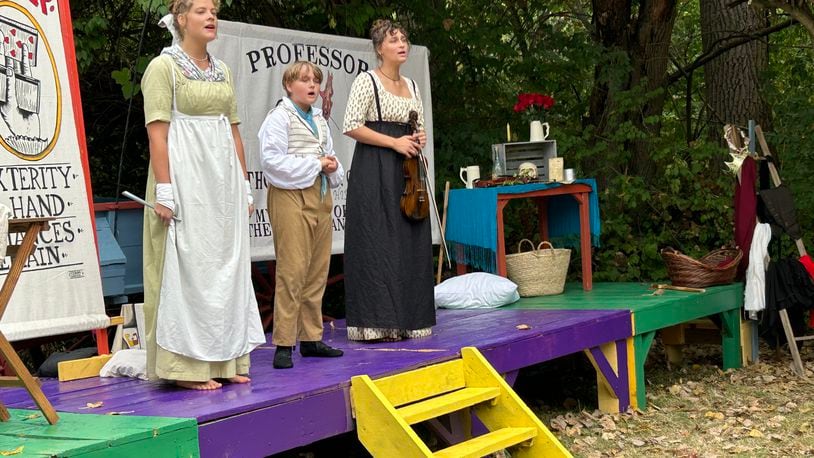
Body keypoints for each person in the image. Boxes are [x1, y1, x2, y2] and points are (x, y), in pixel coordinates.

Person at [140, 0, 265, 390]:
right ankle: (184, 368)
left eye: (214, 10)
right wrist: (165, 190)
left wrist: (244, 184)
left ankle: (224, 361)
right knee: (187, 266)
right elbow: (157, 133)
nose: (211, 16)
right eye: (201, 10)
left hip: (220, 181)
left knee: (223, 267)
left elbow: (233, 131)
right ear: (181, 19)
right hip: (184, 176)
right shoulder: (163, 68)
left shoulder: (223, 70)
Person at [342, 20, 435, 341]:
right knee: (379, 240)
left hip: (407, 170)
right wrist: (393, 142)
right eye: (394, 40)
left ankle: (410, 318)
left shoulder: (412, 85)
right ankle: (376, 322)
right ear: (380, 48)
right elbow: (351, 125)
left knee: (409, 239)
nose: (401, 44)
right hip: (374, 167)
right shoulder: (366, 81)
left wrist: (416, 138)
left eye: (404, 39)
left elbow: (417, 127)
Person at [258, 61, 345, 369]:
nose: (312, 86)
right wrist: (317, 164)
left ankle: (310, 338)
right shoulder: (279, 118)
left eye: (316, 81)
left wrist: (331, 166)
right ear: (289, 86)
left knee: (317, 269)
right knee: (292, 269)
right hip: (290, 195)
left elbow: (329, 154)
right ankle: (283, 343)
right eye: (305, 80)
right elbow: (272, 162)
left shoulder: (319, 120)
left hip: (320, 195)